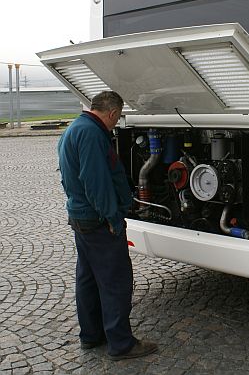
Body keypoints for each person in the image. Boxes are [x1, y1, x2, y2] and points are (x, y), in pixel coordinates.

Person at [58, 91, 157, 360]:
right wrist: (113, 218)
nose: (116, 124)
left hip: (80, 217)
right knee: (115, 281)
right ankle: (121, 344)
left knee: (88, 279)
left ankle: (91, 335)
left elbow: (68, 177)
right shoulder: (92, 134)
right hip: (99, 220)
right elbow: (96, 182)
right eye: (117, 118)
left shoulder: (74, 128)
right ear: (113, 113)